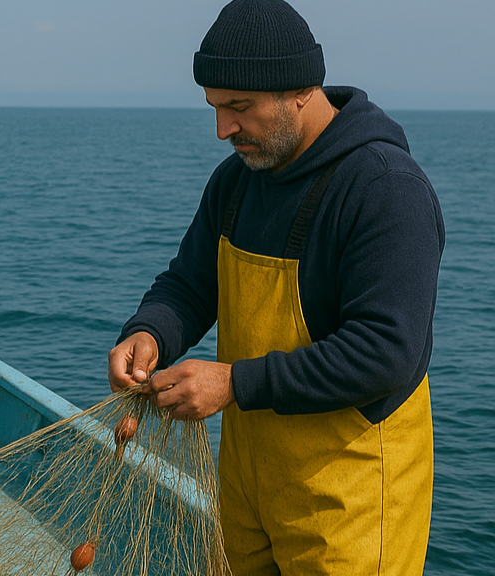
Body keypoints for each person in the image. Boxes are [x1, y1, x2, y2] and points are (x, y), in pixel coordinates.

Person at [106, 0, 444, 574]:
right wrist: (150, 332)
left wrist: (235, 381)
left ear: (301, 91)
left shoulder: (386, 189)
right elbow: (189, 284)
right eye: (214, 108)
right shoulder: (237, 181)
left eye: (239, 107)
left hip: (350, 500)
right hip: (246, 482)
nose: (222, 130)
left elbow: (387, 351)